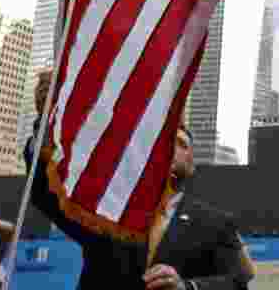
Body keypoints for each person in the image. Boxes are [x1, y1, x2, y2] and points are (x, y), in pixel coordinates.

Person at [25, 71, 251, 290]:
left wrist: (187, 287)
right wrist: (48, 123)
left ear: (192, 165)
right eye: (163, 140)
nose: (170, 146)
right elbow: (47, 191)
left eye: (181, 143)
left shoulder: (217, 222)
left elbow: (237, 281)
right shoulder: (107, 209)